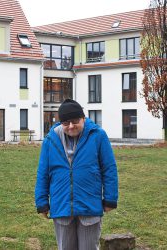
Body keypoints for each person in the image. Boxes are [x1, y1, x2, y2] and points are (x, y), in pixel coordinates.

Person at [35, 99, 118, 250]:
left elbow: (109, 168)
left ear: (83, 119)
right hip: (62, 205)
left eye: (75, 121)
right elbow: (43, 173)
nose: (71, 126)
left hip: (89, 204)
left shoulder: (98, 135)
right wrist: (42, 202)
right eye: (66, 123)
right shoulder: (50, 140)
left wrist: (110, 199)